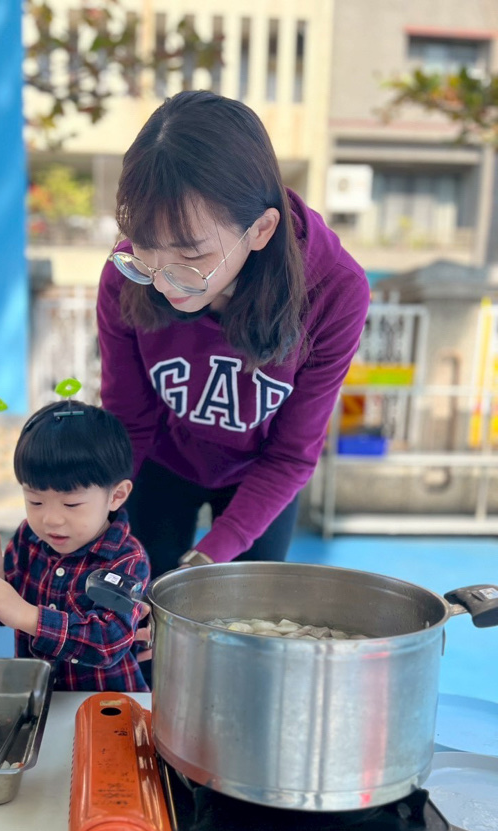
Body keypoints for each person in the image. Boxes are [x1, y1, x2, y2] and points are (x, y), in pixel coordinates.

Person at [97, 90, 371, 579]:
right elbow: (129, 420)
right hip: (161, 457)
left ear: (261, 230)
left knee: (244, 611)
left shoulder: (335, 291)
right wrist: (91, 515)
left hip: (262, 474)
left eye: (190, 256)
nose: (162, 280)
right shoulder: (126, 273)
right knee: (138, 597)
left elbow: (291, 453)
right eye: (146, 248)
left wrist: (210, 555)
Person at [0, 400, 151, 692]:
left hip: (106, 704)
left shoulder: (126, 558)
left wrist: (29, 616)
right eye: (35, 501)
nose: (51, 519)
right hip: (37, 693)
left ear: (116, 495)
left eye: (71, 504)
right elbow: (5, 615)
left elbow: (109, 642)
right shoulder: (29, 538)